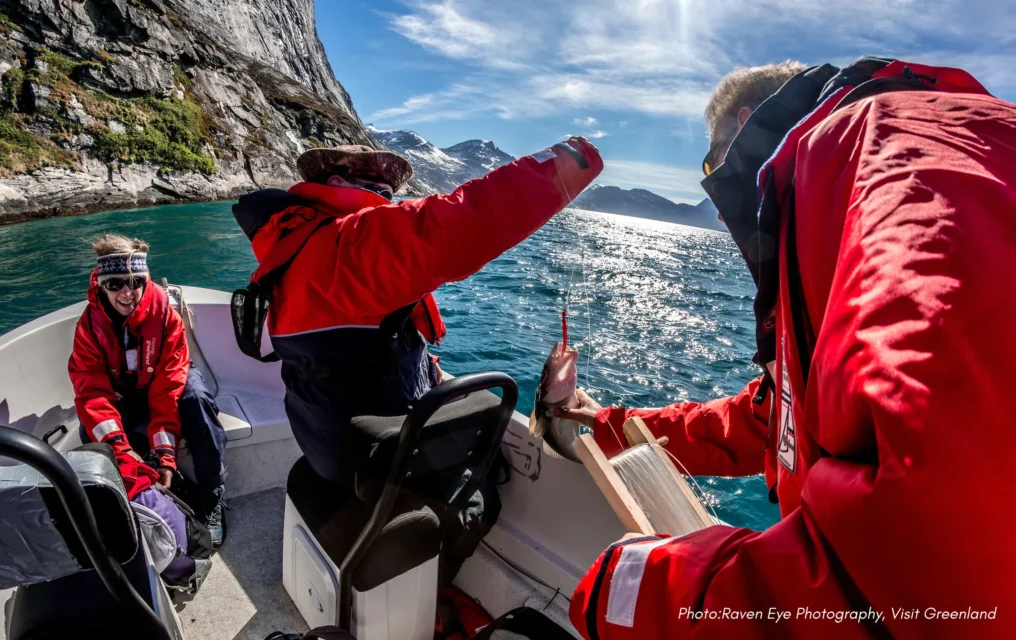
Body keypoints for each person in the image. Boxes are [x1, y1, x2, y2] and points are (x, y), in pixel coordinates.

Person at [565, 57, 1016, 638]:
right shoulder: (885, 159)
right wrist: (609, 425)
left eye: (710, 161)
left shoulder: (893, 151)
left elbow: (936, 549)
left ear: (743, 125)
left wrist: (634, 590)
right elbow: (774, 420)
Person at [231, 139, 602, 487]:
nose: (388, 203)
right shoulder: (354, 244)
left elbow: (354, 344)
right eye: (377, 190)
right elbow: (463, 220)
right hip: (374, 459)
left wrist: (428, 369)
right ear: (335, 181)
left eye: (391, 195)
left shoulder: (298, 246)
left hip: (327, 443)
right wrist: (570, 162)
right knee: (490, 414)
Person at [68, 234, 229, 547]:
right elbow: (91, 392)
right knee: (93, 437)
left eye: (136, 281)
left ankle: (213, 497)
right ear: (101, 284)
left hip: (165, 379)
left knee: (197, 401)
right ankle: (134, 498)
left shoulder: (166, 316)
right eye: (116, 284)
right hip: (122, 390)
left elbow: (169, 387)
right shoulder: (89, 326)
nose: (128, 293)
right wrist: (120, 448)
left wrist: (165, 454)